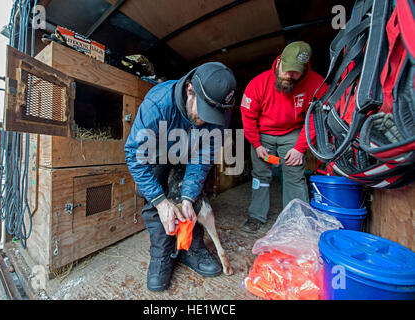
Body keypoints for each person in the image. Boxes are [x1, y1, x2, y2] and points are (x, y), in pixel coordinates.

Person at [124, 62, 237, 291]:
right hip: (157, 150)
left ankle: (190, 248)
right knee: (157, 185)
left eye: (213, 115)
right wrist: (159, 200)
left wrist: (188, 196)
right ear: (189, 91)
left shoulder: (220, 112)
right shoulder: (158, 103)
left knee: (194, 192)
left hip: (190, 152)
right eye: (204, 112)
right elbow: (135, 155)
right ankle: (162, 253)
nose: (206, 120)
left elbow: (204, 157)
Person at [240, 41, 328, 231]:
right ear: (279, 61)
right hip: (262, 134)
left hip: (293, 132)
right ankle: (256, 216)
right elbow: (247, 116)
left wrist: (300, 148)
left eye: (295, 72)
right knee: (261, 174)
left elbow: (316, 120)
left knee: (294, 175)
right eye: (286, 69)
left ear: (305, 69)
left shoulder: (316, 84)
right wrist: (256, 144)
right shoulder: (258, 83)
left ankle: (297, 220)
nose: (289, 75)